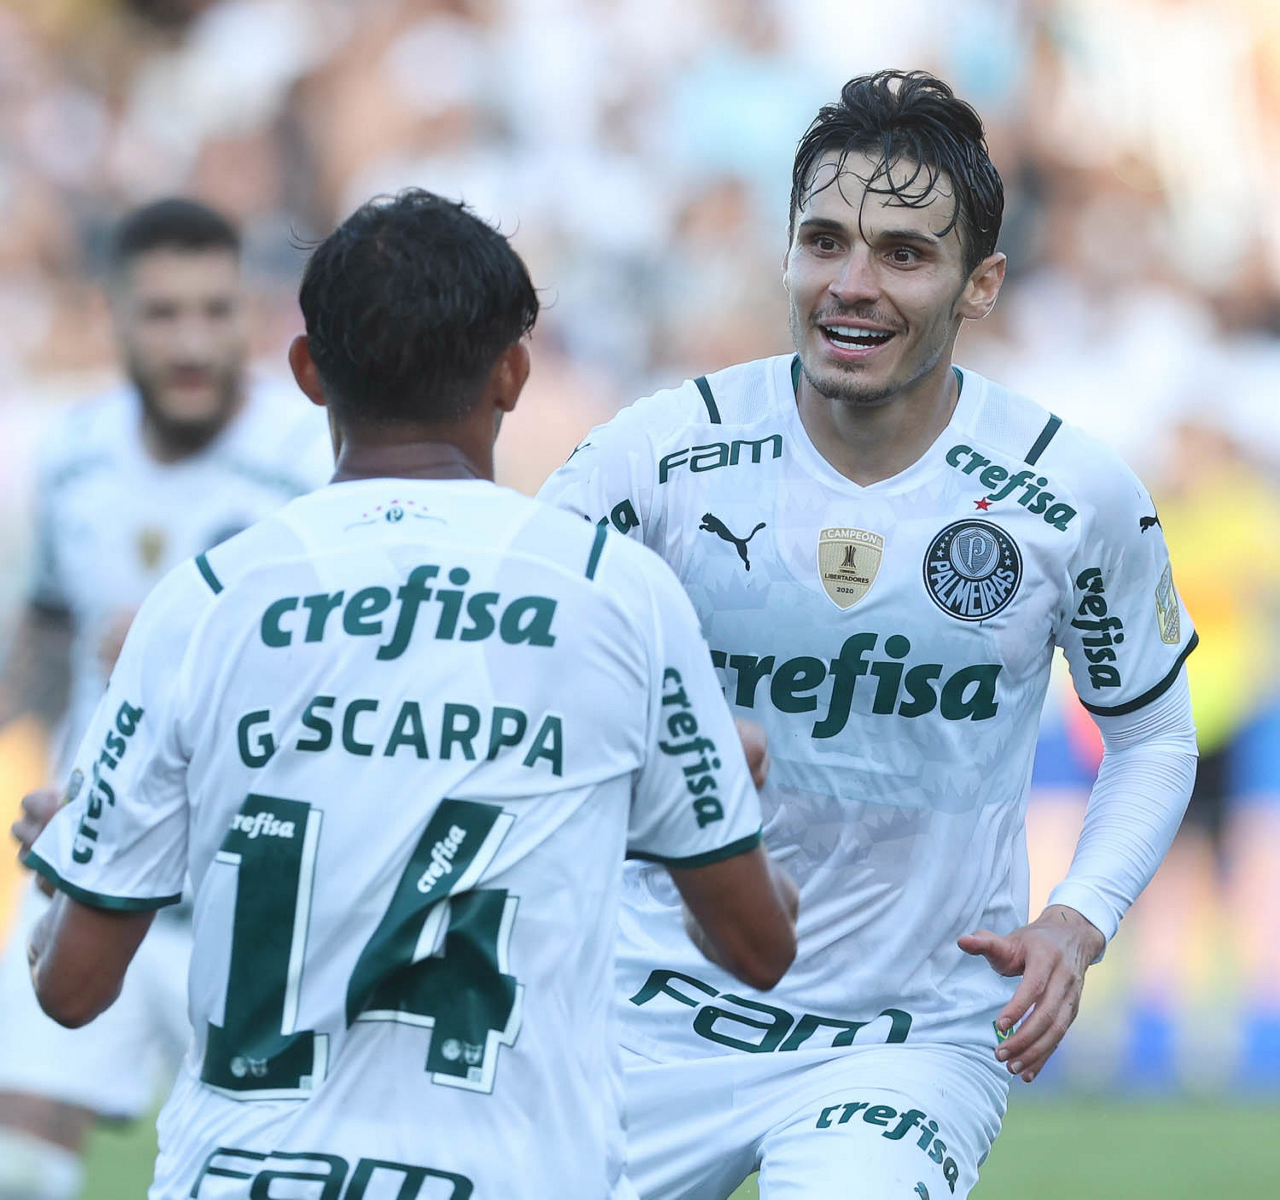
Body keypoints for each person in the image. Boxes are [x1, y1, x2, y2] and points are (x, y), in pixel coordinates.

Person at [18, 189, 798, 1200]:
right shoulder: (616, 594)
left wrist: (72, 867)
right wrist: (720, 818)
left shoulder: (202, 601)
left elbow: (71, 988)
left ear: (307, 371)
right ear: (512, 372)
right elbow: (760, 948)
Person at [538, 70, 1199, 1199]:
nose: (851, 284)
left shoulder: (1070, 495)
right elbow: (520, 678)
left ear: (980, 284)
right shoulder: (653, 459)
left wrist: (1078, 920)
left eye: (902, 253)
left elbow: (1150, 736)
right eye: (824, 242)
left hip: (909, 1038)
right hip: (643, 1011)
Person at [0, 197, 333, 1200]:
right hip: (92, 861)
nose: (191, 343)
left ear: (250, 315)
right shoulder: (73, 454)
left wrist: (205, 648)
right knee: (19, 1160)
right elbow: (50, 627)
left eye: (213, 311)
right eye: (163, 313)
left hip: (258, 895)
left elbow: (353, 677)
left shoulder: (311, 465)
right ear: (111, 315)